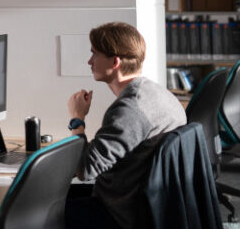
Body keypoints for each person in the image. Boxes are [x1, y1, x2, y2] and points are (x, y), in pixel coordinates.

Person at [64, 22, 186, 229]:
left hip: (119, 213)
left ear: (114, 62)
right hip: (138, 201)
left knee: (21, 209)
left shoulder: (128, 109)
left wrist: (78, 119)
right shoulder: (157, 93)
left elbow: (85, 170)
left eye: (95, 55)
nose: (89, 61)